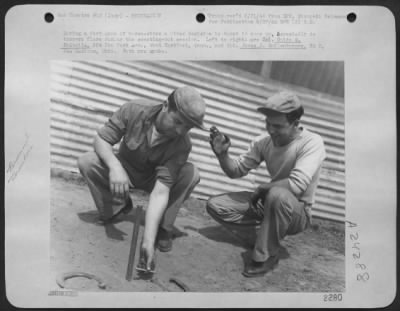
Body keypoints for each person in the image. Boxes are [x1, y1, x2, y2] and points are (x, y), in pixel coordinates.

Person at [78, 85, 207, 272]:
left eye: (188, 127)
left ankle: (163, 227)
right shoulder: (134, 110)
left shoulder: (183, 144)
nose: (181, 131)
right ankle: (116, 209)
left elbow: (161, 192)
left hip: (153, 180)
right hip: (125, 171)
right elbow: (101, 139)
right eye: (178, 122)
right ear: (165, 106)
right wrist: (115, 167)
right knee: (87, 161)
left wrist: (148, 242)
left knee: (191, 174)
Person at [208, 90, 326, 278]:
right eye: (268, 124)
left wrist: (262, 188)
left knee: (277, 194)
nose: (271, 130)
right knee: (217, 205)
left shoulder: (312, 142)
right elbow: (235, 170)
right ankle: (264, 236)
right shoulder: (264, 142)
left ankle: (266, 255)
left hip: (297, 212)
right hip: (269, 203)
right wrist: (222, 154)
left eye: (277, 126)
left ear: (296, 123)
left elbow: (297, 184)